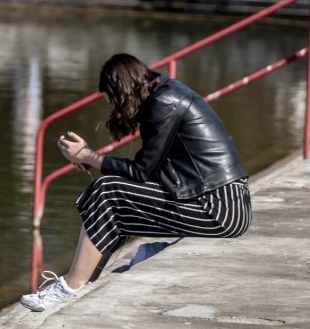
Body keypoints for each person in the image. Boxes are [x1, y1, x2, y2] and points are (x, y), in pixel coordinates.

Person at [21, 53, 252, 312]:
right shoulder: (165, 94)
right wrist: (91, 160)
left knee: (107, 190)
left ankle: (69, 287)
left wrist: (89, 155)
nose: (113, 108)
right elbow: (148, 173)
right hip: (212, 202)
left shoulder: (164, 101)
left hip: (219, 209)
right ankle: (81, 284)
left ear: (122, 90)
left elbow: (142, 172)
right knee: (111, 197)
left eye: (112, 100)